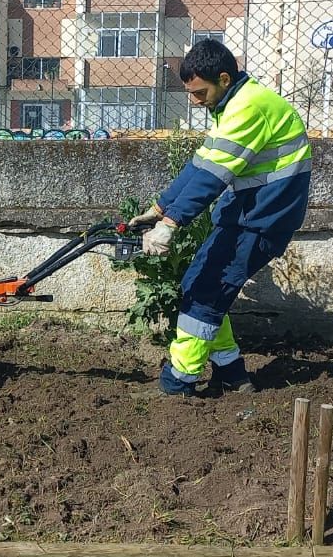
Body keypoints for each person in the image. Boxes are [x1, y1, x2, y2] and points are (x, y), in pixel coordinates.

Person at [128, 39, 312, 396]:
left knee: (204, 294)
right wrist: (161, 208)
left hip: (261, 220)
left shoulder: (249, 108)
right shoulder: (236, 104)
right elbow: (201, 165)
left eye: (200, 92)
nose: (195, 101)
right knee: (205, 288)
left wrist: (169, 226)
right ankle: (231, 373)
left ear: (224, 78)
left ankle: (179, 382)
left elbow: (214, 176)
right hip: (247, 215)